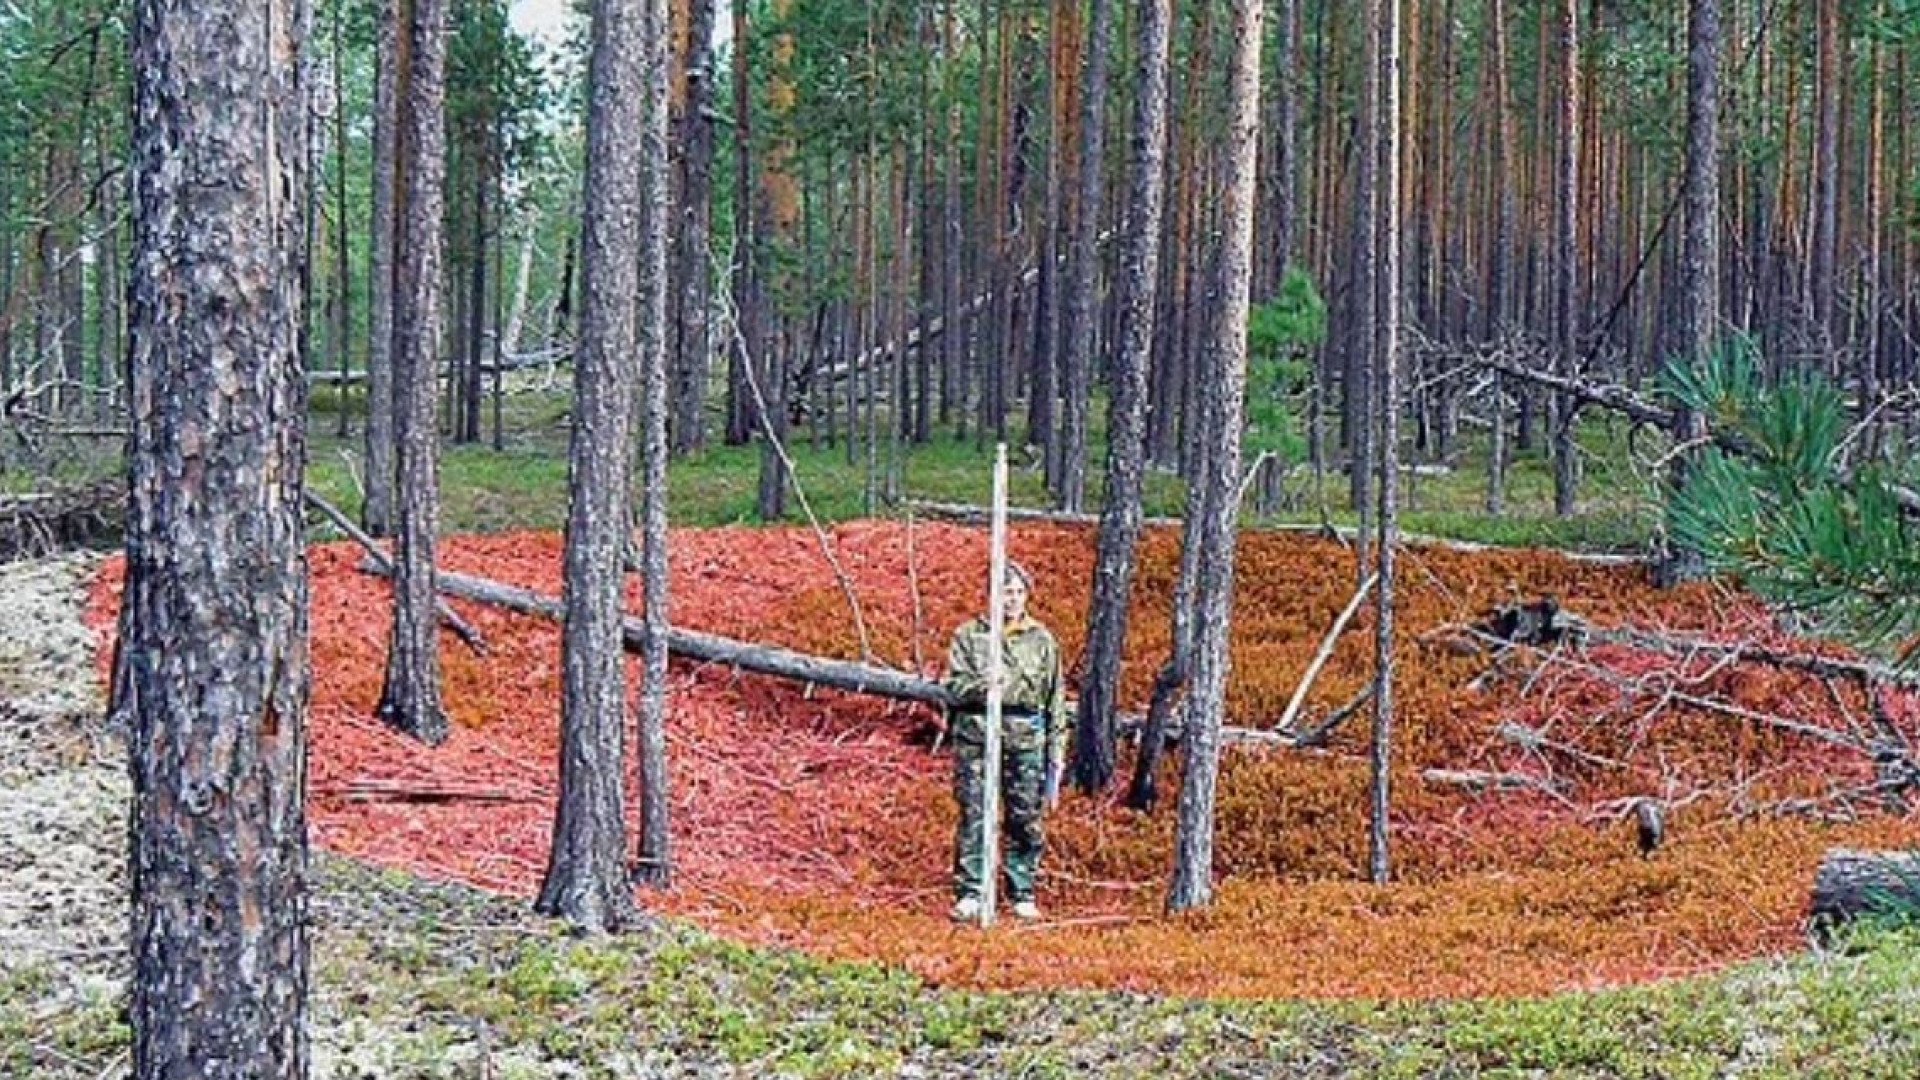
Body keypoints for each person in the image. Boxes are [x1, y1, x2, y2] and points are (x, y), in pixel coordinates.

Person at [942, 561, 1068, 922]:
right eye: (1005, 591)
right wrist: (983, 685)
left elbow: (1054, 701)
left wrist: (1056, 750)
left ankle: (1022, 889)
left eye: (1017, 592)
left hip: (1026, 740)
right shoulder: (969, 635)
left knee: (1025, 816)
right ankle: (971, 890)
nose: (1011, 599)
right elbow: (952, 687)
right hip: (978, 737)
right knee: (975, 813)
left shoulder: (1042, 640)